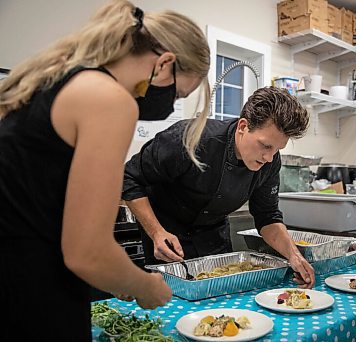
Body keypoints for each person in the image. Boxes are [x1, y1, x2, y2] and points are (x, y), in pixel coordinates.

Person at [0, 1, 211, 340]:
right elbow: (88, 253)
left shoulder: (54, 79)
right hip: (31, 292)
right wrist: (145, 286)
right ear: (164, 64)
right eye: (177, 94)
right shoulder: (110, 99)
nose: (170, 105)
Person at [123, 86, 316, 288]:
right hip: (167, 240)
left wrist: (294, 256)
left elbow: (267, 216)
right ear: (243, 126)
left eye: (277, 150)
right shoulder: (190, 139)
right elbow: (130, 177)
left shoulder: (270, 163)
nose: (269, 158)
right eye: (265, 146)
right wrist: (156, 232)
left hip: (214, 242)